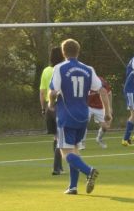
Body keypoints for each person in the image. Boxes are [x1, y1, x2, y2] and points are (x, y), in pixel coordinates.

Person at [48, 39, 112, 195]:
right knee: (75, 149)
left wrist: (50, 104)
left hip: (66, 115)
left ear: (64, 53)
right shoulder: (88, 69)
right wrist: (107, 112)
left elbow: (53, 91)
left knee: (65, 152)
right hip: (83, 115)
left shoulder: (59, 68)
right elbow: (102, 91)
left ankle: (89, 171)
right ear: (78, 51)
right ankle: (73, 186)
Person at [39, 47, 64, 175]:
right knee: (62, 138)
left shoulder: (46, 71)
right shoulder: (63, 69)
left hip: (50, 107)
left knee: (56, 137)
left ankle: (59, 166)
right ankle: (56, 167)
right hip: (61, 106)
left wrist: (44, 108)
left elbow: (42, 92)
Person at [86, 76, 113, 149]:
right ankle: (80, 143)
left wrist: (110, 107)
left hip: (100, 107)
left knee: (105, 127)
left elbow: (109, 93)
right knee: (83, 124)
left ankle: (99, 139)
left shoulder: (102, 82)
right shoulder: (86, 81)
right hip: (88, 106)